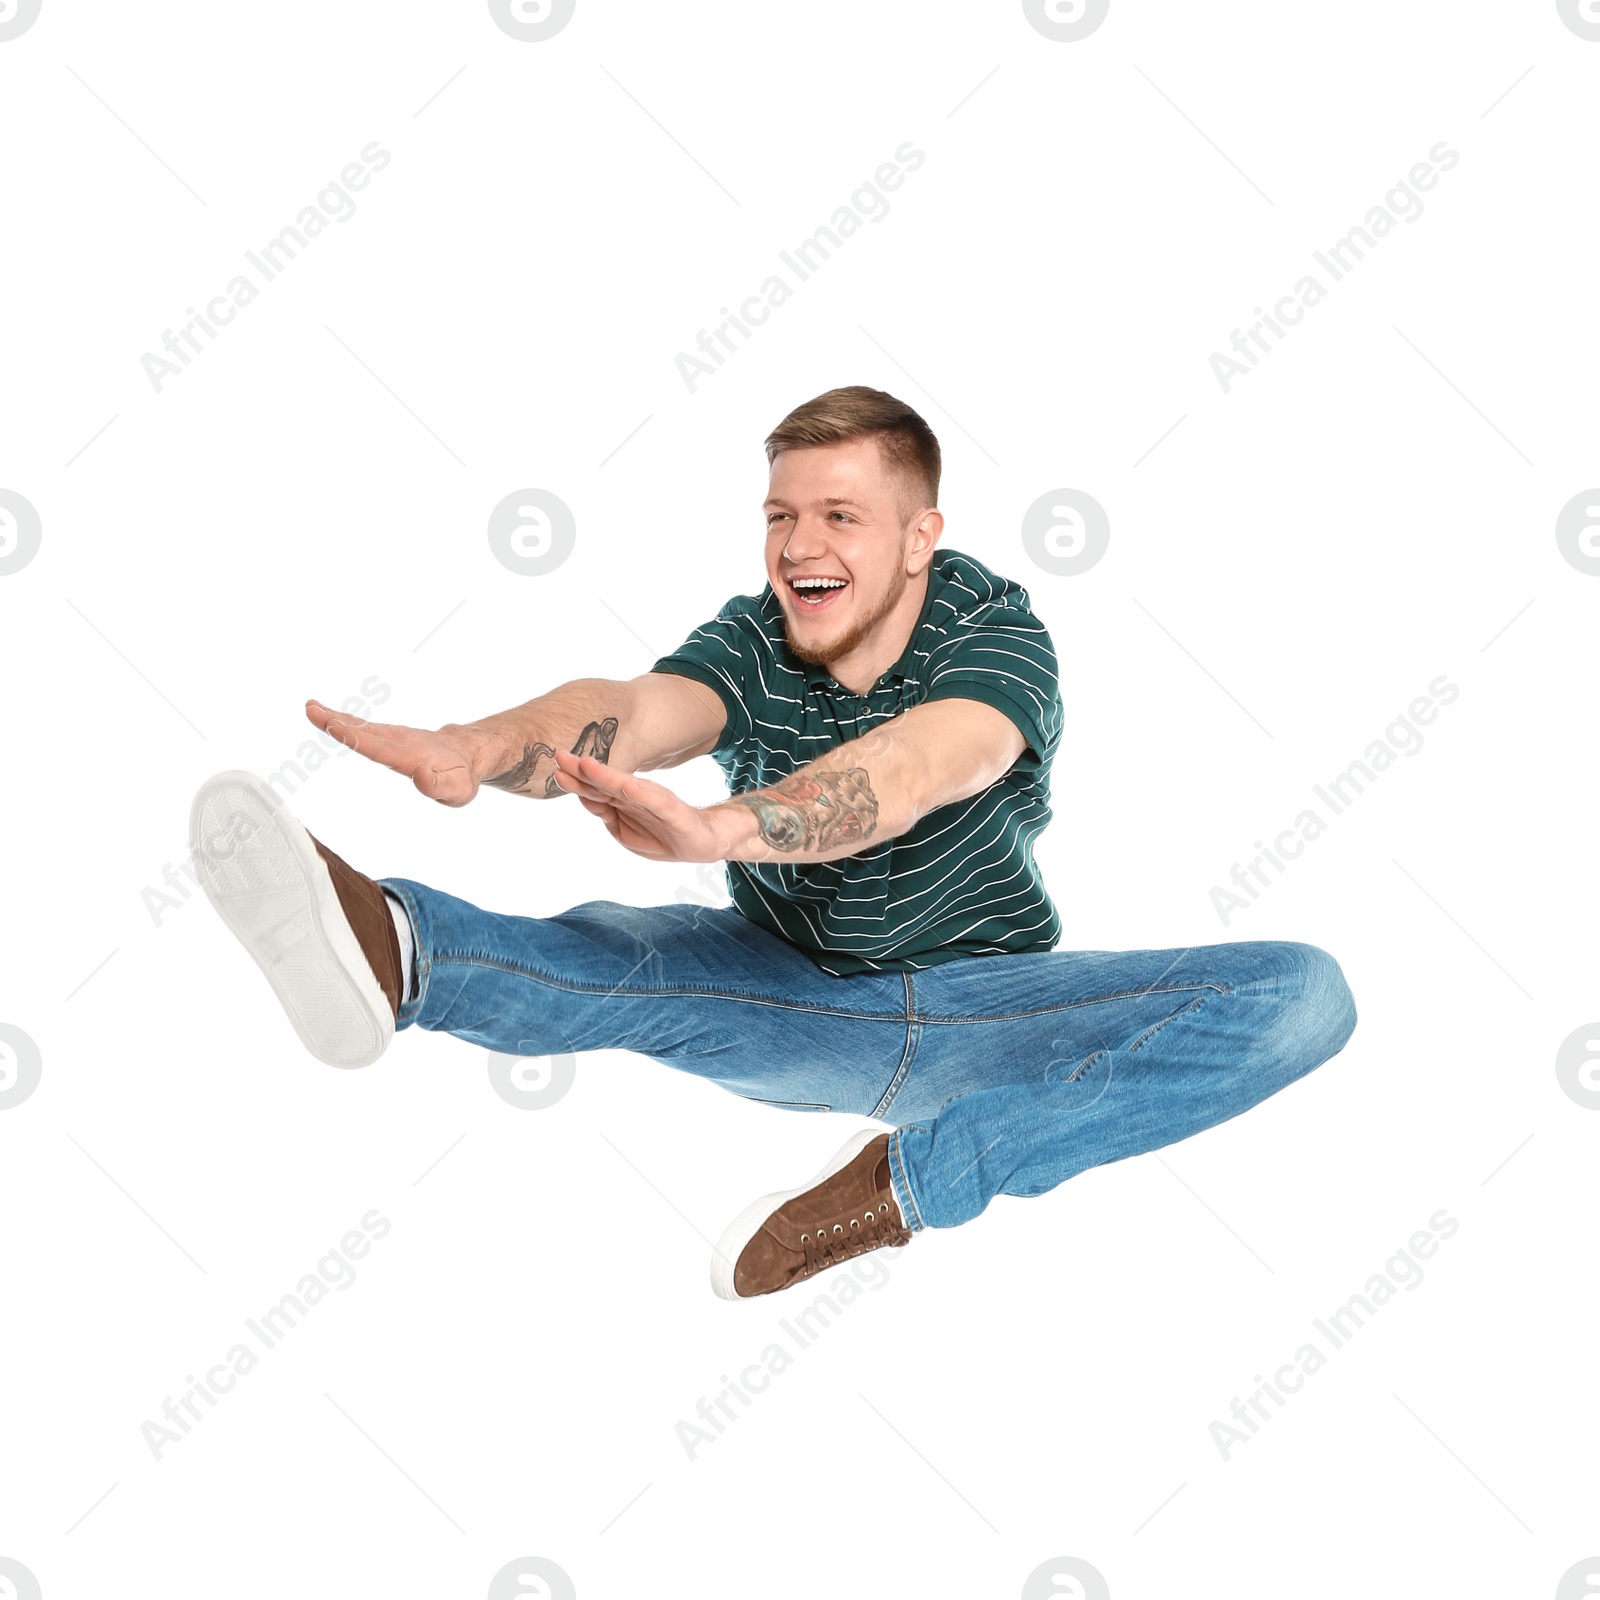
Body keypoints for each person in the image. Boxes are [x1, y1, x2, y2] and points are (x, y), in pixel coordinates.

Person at [191, 385, 1357, 1302]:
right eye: (780, 515)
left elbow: (909, 770)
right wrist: (484, 746)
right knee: (628, 950)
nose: (799, 545)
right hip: (790, 997)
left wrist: (724, 826)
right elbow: (635, 711)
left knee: (1302, 993)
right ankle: (394, 953)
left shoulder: (994, 634)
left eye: (839, 515)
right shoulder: (757, 639)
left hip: (988, 1009)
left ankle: (903, 1183)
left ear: (918, 536)